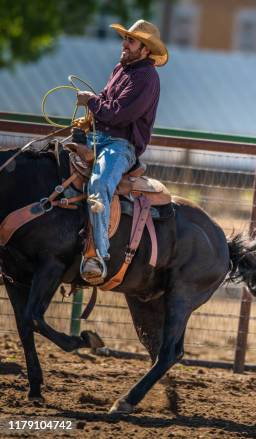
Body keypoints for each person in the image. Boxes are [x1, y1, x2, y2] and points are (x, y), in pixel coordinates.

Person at [76, 20, 167, 282]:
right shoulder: (121, 69)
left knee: (100, 184)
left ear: (145, 49)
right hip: (98, 137)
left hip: (120, 145)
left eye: (131, 41)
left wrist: (90, 101)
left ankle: (97, 256)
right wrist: (92, 113)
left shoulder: (147, 78)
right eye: (125, 39)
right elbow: (107, 101)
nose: (124, 44)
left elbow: (119, 114)